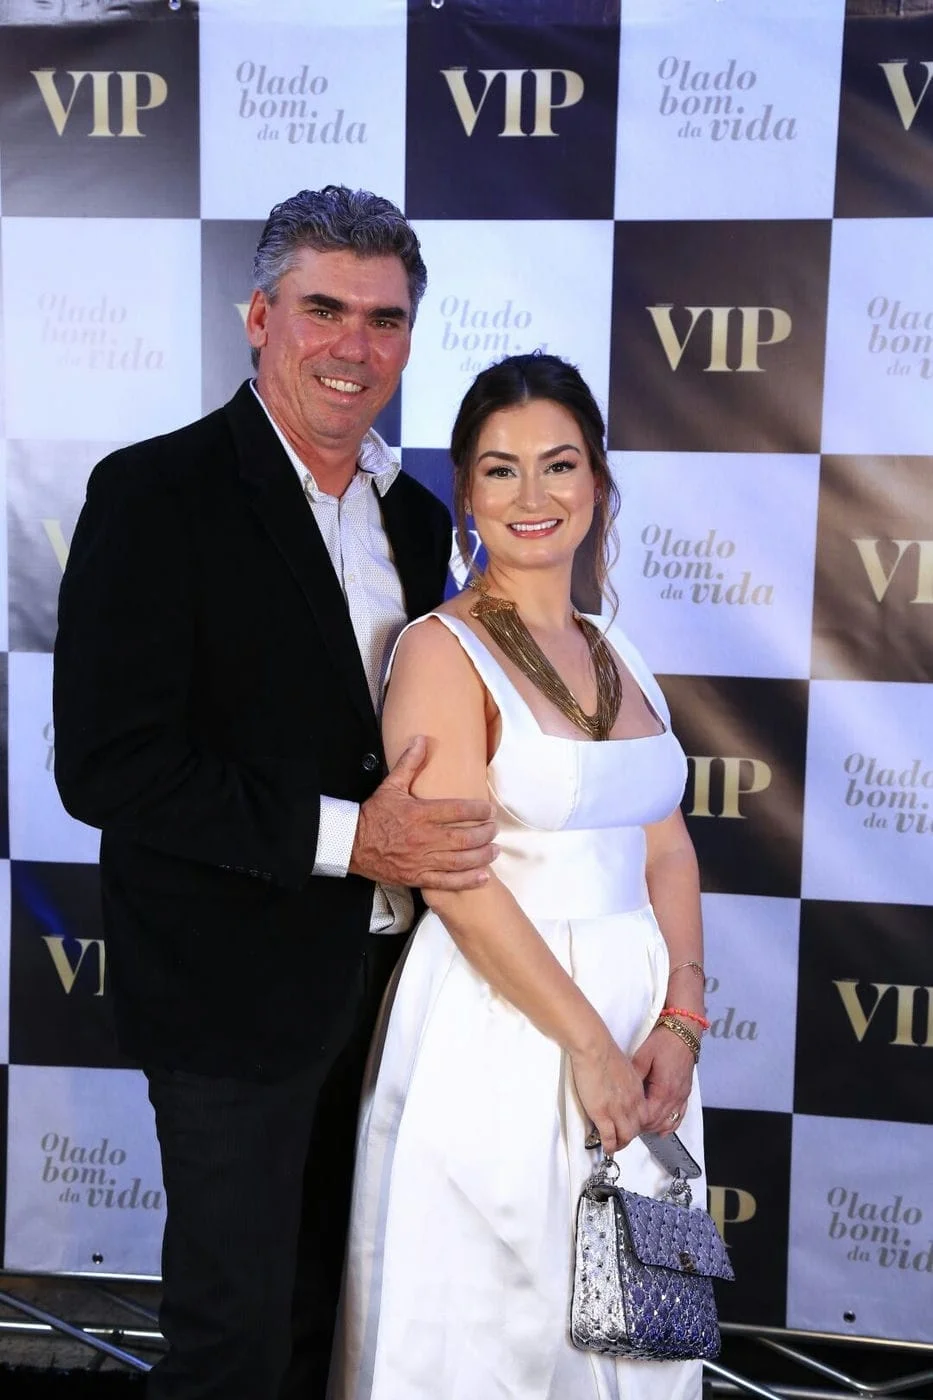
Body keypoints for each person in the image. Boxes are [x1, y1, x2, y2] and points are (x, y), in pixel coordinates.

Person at [52, 186, 497, 1400]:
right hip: (231, 997)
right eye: (324, 309)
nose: (356, 345)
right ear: (259, 317)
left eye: (386, 318)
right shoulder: (156, 493)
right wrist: (357, 839)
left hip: (396, 992)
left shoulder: (419, 514)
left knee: (337, 1327)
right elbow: (106, 762)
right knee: (233, 1346)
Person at [330, 353, 709, 1400]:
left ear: (597, 480)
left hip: (642, 1029)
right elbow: (455, 880)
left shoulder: (615, 646)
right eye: (501, 469)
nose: (532, 494)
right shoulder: (437, 650)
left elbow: (666, 847)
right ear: (466, 490)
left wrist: (680, 1022)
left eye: (559, 463)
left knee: (638, 1332)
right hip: (504, 1024)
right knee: (492, 1332)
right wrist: (588, 1046)